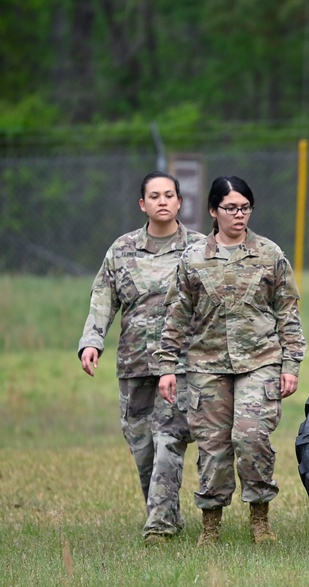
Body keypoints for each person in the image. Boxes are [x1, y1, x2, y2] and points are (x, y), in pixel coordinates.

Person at [156, 175, 306, 546]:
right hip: (206, 364)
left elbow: (287, 312)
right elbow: (177, 315)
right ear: (213, 211)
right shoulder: (192, 259)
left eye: (245, 208)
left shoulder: (270, 254)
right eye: (231, 208)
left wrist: (291, 365)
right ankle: (211, 524)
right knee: (212, 445)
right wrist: (166, 366)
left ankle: (260, 517)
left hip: (260, 361)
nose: (239, 215)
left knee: (251, 436)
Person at [78, 171, 204, 546]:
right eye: (155, 196)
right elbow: (103, 299)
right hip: (134, 364)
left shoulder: (199, 249)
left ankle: (159, 526)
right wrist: (92, 342)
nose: (163, 201)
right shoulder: (122, 250)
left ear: (180, 202)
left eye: (169, 195)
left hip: (180, 364)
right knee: (142, 447)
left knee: (169, 437)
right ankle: (166, 512)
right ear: (143, 204)